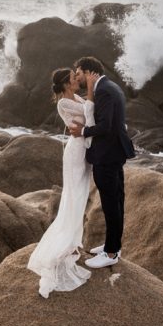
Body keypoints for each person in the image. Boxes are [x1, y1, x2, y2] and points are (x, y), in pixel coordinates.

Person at [27, 67, 95, 298]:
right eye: (74, 78)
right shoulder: (63, 104)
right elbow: (89, 110)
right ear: (66, 84)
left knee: (80, 195)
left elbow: (88, 112)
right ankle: (64, 245)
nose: (78, 80)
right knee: (73, 196)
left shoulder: (74, 97)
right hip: (76, 152)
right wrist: (93, 88)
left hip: (83, 149)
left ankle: (73, 242)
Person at [68, 56, 135, 269]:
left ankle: (111, 252)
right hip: (114, 153)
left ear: (88, 72)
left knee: (111, 204)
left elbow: (105, 126)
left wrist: (83, 131)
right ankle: (112, 245)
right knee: (116, 201)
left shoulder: (104, 90)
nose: (76, 76)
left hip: (107, 155)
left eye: (78, 72)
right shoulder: (109, 86)